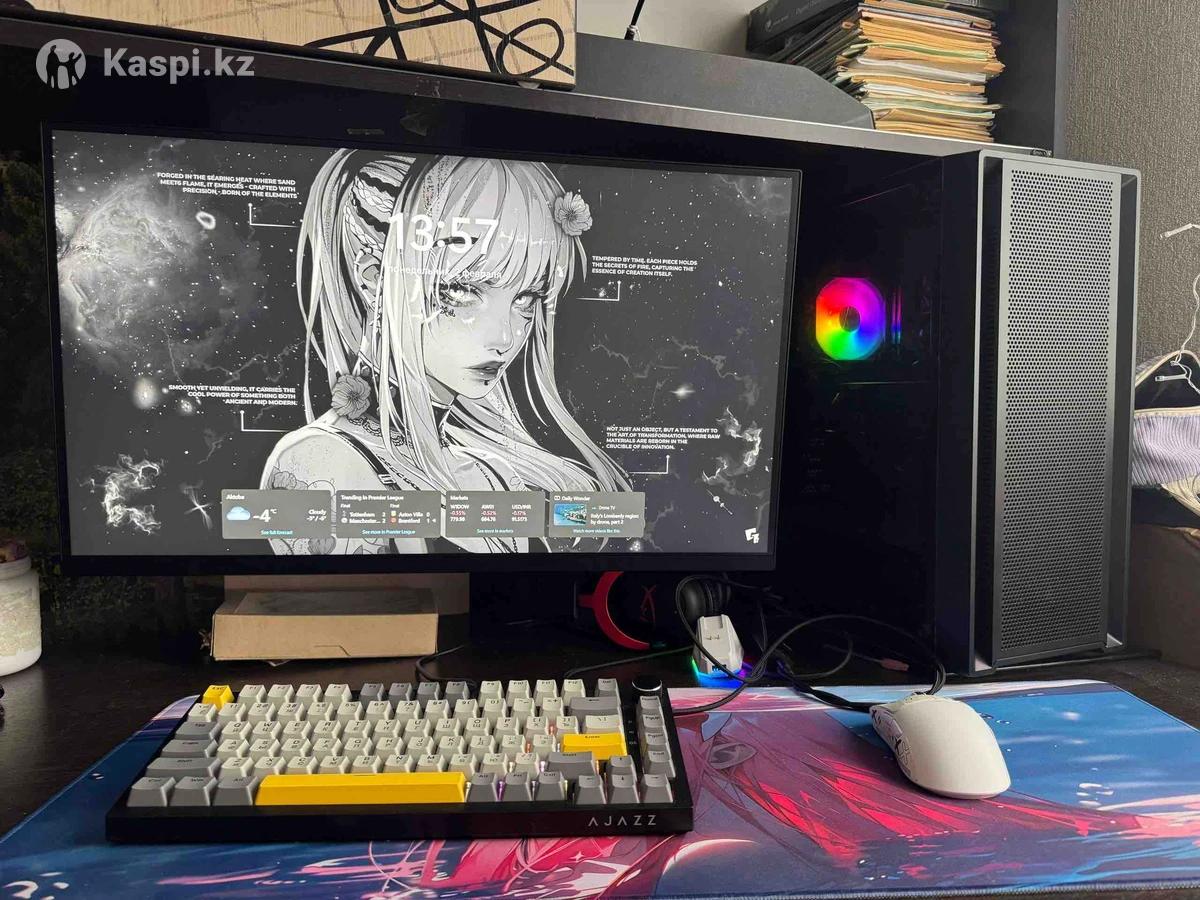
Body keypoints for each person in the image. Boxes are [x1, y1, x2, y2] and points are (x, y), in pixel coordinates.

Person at [262, 151, 629, 554]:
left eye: (525, 297)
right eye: (462, 289)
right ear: (374, 281)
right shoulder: (321, 459)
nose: (506, 337)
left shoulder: (490, 472)